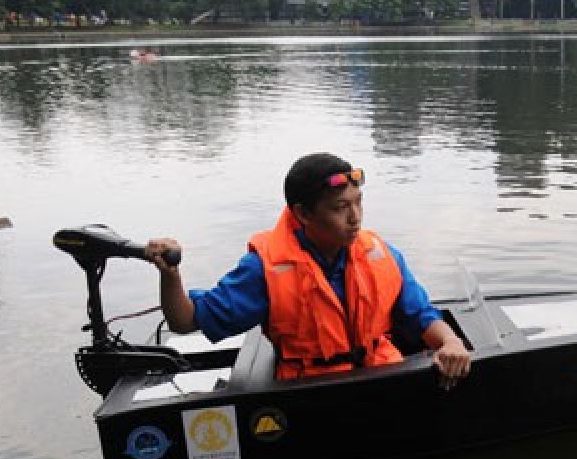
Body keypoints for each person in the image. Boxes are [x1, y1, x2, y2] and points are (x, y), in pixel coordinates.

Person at [145, 152, 471, 388]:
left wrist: (450, 343)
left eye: (359, 202)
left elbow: (421, 315)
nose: (356, 217)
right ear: (302, 213)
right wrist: (170, 275)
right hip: (310, 393)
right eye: (340, 208)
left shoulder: (382, 256)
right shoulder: (266, 270)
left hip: (382, 378)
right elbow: (185, 321)